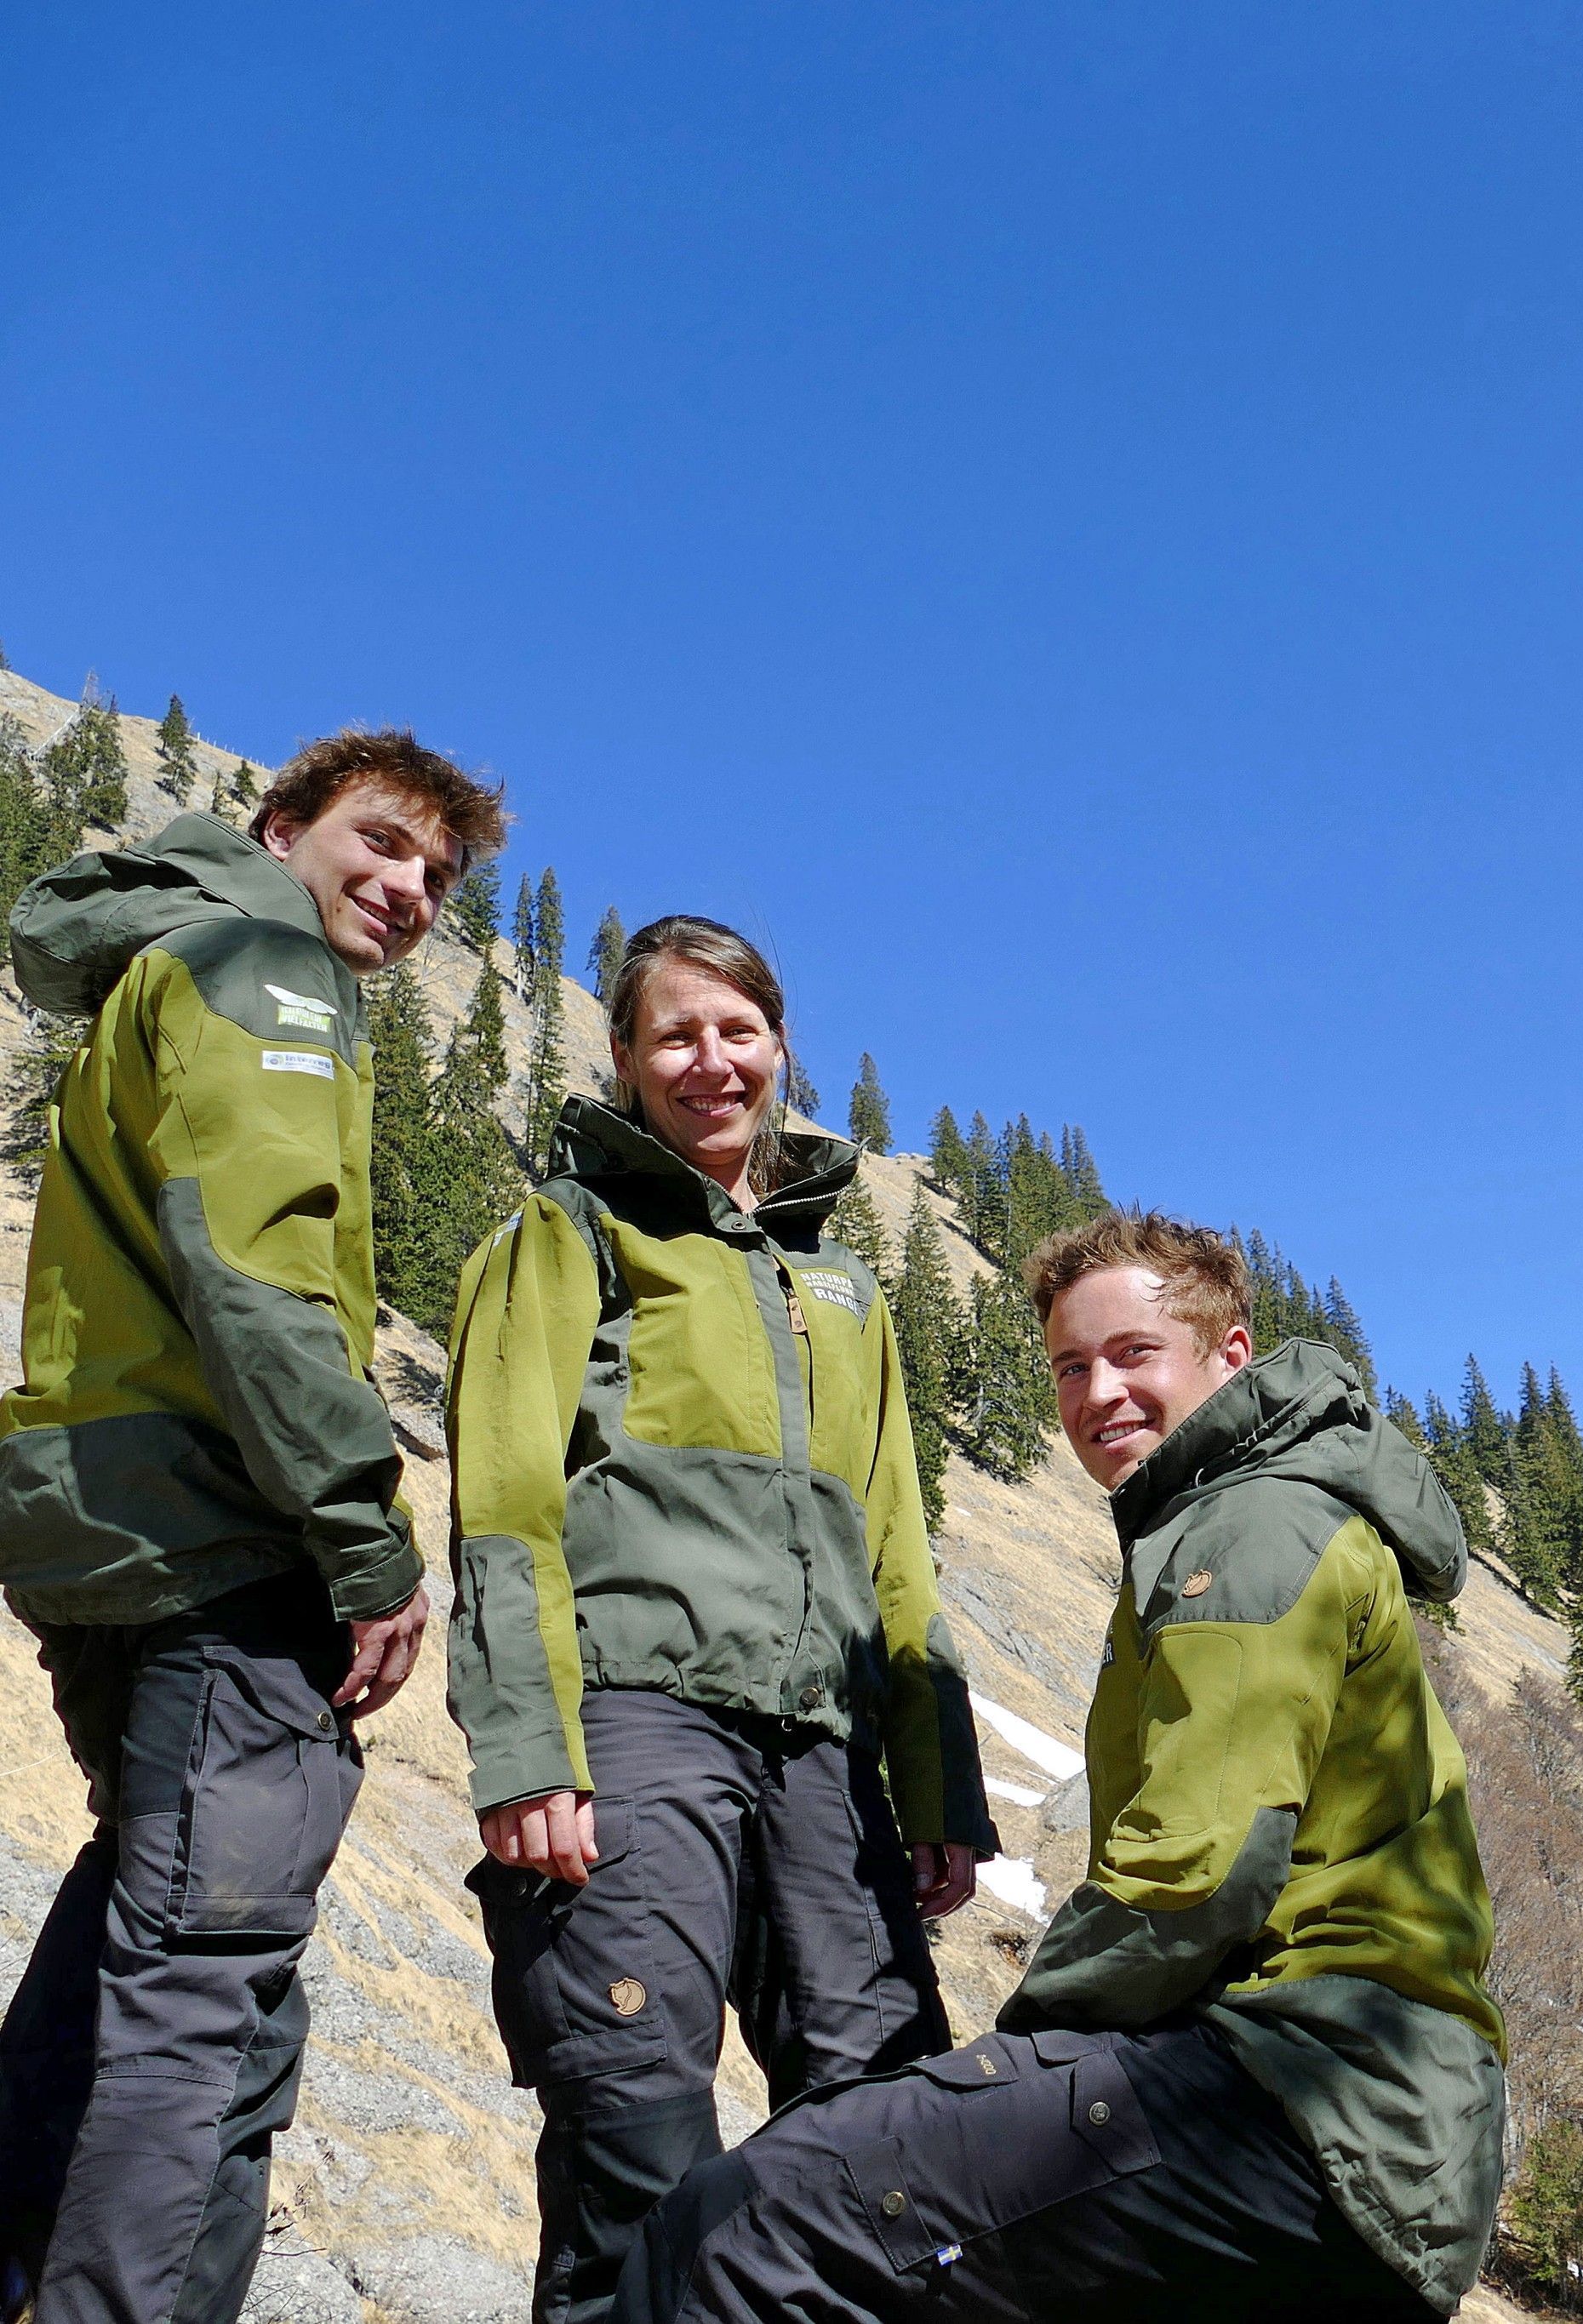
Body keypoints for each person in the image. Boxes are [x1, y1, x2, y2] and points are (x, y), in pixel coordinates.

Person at [620, 1211, 1506, 2324]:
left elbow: (1197, 1874)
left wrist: (1018, 2057)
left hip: (1300, 2090)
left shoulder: (1249, 1526)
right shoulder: (1247, 1519)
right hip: (1389, 2149)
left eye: (1134, 1355)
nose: (1098, 1395)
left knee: (746, 2224)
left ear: (1229, 1358)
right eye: (1071, 1367)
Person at [0, 732, 507, 2324]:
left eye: (436, 874)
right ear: (277, 828)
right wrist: (367, 1540)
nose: (409, 889)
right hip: (226, 1545)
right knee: (202, 2004)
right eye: (381, 843)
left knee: (139, 1941)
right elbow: (264, 1282)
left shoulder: (154, 970)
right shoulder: (264, 965)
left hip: (104, 1537)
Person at [443, 914, 998, 2324]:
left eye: (737, 1031)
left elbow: (895, 1548)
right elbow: (504, 1494)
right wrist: (526, 1748)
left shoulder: (841, 1289)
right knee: (635, 2125)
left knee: (890, 2129)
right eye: (673, 1034)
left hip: (821, 1754)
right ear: (623, 1058)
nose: (710, 1061)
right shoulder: (568, 1233)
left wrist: (936, 1788)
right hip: (634, 1718)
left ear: (780, 1047)